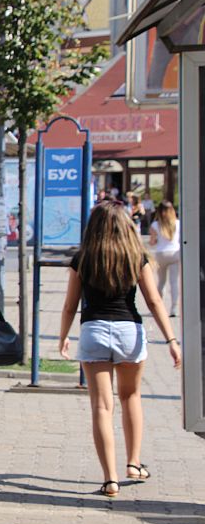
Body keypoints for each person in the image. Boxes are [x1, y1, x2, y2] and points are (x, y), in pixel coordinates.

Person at [58, 201, 181, 498]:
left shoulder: (82, 258)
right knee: (131, 396)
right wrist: (171, 340)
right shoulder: (136, 255)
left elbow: (70, 304)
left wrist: (62, 336)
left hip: (94, 331)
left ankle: (110, 479)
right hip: (129, 332)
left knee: (102, 406)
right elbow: (154, 301)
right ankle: (133, 463)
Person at [149, 200, 181, 317]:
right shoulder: (178, 223)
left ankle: (158, 308)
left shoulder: (155, 225)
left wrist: (155, 241)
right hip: (175, 253)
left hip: (161, 254)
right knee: (174, 282)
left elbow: (152, 242)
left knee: (161, 282)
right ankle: (174, 308)